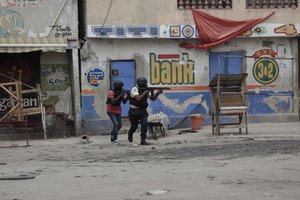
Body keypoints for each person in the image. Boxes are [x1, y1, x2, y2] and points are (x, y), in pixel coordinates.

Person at [127, 77, 163, 145]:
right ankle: (130, 134)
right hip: (134, 111)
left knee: (144, 124)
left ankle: (143, 140)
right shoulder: (134, 89)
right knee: (134, 126)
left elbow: (152, 98)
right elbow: (138, 98)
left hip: (142, 111)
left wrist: (157, 93)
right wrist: (145, 93)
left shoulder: (145, 90)